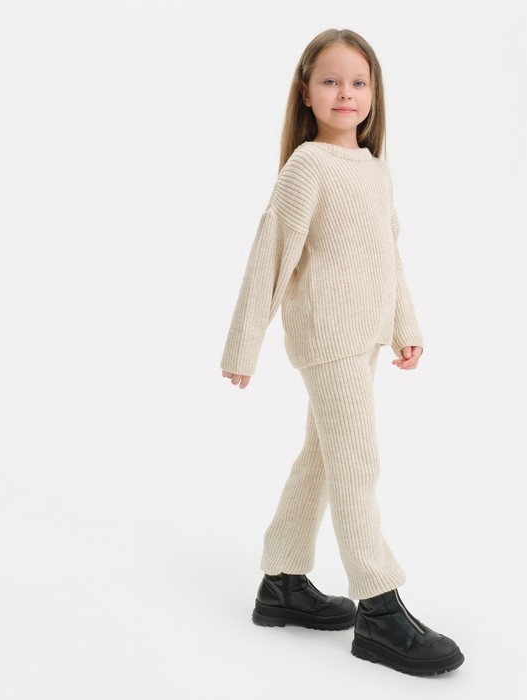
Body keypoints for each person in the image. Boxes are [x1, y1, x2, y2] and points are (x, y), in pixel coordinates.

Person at [220, 28, 464, 676]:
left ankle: (282, 582)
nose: (345, 93)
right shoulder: (307, 166)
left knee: (325, 459)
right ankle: (379, 610)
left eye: (358, 82)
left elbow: (387, 255)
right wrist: (243, 344)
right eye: (330, 81)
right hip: (325, 338)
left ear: (374, 94)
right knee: (358, 462)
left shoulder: (374, 170)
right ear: (306, 92)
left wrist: (405, 325)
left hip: (363, 338)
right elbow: (270, 253)